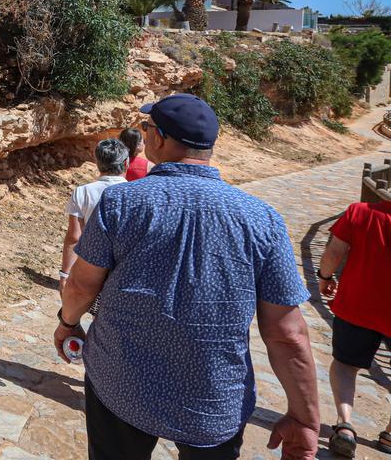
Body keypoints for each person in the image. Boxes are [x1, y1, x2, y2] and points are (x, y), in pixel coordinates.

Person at [55, 93, 320, 459]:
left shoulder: (121, 204)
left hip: (121, 382)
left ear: (159, 139)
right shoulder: (263, 220)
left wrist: (67, 323)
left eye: (146, 129)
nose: (144, 135)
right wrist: (305, 418)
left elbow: (83, 284)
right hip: (212, 399)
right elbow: (288, 334)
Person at [315, 184, 391, 457]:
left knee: (346, 366)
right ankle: (390, 436)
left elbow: (334, 253)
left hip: (358, 305)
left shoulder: (360, 213)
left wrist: (325, 277)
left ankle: (345, 425)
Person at [60, 139, 130, 291]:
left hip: (89, 267)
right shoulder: (136, 194)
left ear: (97, 163)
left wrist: (65, 275)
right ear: (126, 164)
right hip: (122, 271)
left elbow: (74, 237)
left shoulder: (83, 192)